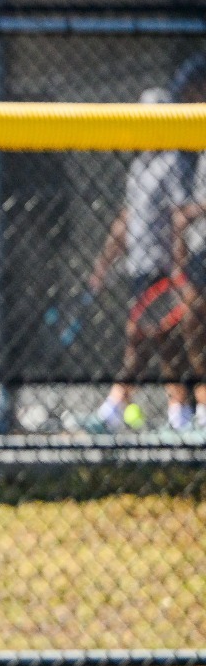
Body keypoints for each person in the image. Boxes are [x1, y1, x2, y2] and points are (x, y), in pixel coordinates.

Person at [89, 58, 206, 432]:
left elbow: (179, 215)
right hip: (138, 266)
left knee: (144, 338)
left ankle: (118, 406)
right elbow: (125, 219)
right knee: (164, 344)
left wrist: (177, 269)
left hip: (164, 265)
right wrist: (104, 264)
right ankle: (180, 412)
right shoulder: (140, 165)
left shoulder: (175, 162)